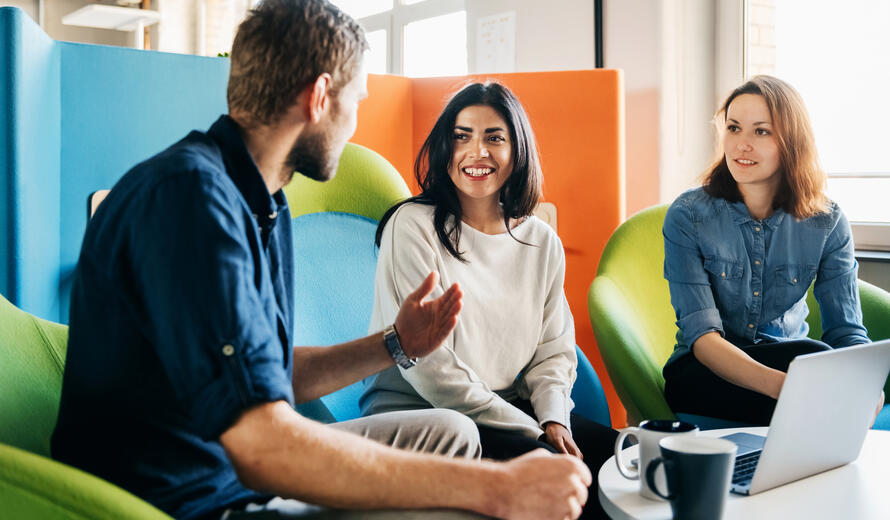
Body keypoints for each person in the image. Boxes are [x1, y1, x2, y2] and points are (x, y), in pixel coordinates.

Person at [50, 2, 591, 520]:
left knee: (450, 435)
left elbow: (266, 376)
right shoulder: (191, 201)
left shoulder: (263, 203)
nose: (354, 123)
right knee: (473, 503)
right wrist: (498, 489)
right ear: (319, 96)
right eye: (355, 102)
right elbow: (262, 447)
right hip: (194, 493)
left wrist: (394, 344)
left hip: (234, 461)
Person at [359, 82, 618, 519]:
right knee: (561, 480)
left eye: (494, 137)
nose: (476, 152)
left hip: (509, 408)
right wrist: (532, 432)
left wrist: (553, 418)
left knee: (621, 462)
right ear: (444, 148)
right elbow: (430, 368)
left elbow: (553, 351)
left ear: (518, 151)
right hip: (426, 414)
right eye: (461, 136)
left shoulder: (541, 241)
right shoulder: (412, 226)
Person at [661, 75, 883, 426]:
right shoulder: (688, 215)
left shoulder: (827, 221)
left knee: (817, 360)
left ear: (792, 142)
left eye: (760, 131)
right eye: (734, 128)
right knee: (813, 362)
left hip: (792, 361)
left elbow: (846, 332)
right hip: (706, 372)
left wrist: (868, 385)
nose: (741, 145)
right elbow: (702, 339)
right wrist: (787, 389)